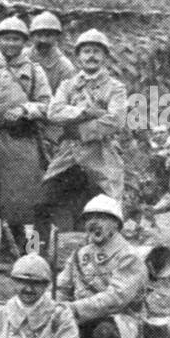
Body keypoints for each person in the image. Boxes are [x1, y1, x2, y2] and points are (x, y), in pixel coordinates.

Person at [56, 195, 149, 338]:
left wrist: (73, 309)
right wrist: (58, 308)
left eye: (102, 218)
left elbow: (116, 298)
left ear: (116, 224)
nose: (94, 223)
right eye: (90, 218)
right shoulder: (80, 254)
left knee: (104, 334)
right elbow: (63, 286)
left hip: (122, 322)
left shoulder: (129, 257)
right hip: (82, 317)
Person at [36, 29, 128, 257]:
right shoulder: (68, 85)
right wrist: (86, 111)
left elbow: (115, 120)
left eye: (97, 52)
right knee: (40, 204)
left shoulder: (115, 87)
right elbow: (54, 112)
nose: (91, 57)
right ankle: (35, 255)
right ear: (78, 57)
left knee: (106, 210)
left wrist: (79, 129)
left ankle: (105, 258)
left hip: (101, 155)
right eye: (86, 51)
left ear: (105, 57)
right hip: (68, 155)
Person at [0, 16, 53, 272]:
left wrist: (24, 110)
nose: (11, 43)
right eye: (6, 38)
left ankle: (24, 255)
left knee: (20, 201)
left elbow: (47, 104)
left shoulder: (33, 70)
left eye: (16, 38)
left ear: (24, 42)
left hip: (21, 140)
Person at [26, 11, 76, 93]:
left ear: (57, 37)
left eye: (48, 35)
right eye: (39, 35)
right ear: (32, 36)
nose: (43, 40)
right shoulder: (21, 58)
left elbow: (68, 96)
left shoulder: (65, 67)